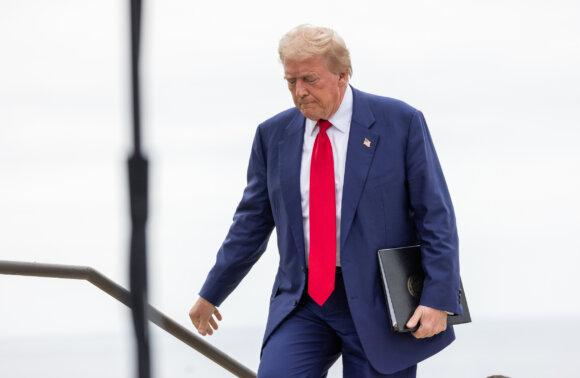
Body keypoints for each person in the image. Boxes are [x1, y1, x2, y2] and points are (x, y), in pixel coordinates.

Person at [189, 24, 464, 377]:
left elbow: (436, 215)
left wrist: (438, 297)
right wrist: (212, 292)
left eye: (309, 79)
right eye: (291, 82)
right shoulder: (272, 136)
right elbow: (251, 224)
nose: (299, 92)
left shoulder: (400, 122)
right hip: (304, 303)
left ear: (342, 75)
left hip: (380, 305)